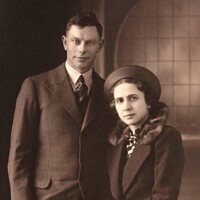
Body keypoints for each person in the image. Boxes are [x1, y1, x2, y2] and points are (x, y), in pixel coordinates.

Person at [8, 12, 114, 200]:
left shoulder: (108, 92)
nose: (82, 50)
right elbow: (19, 157)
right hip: (49, 196)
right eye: (76, 41)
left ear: (100, 46)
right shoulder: (36, 86)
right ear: (65, 43)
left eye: (90, 43)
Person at [104, 65, 184, 200]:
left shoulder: (166, 138)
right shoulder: (116, 142)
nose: (126, 107)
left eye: (133, 98)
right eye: (120, 101)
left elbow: (164, 196)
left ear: (148, 101)